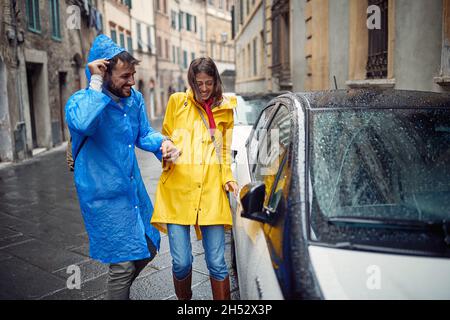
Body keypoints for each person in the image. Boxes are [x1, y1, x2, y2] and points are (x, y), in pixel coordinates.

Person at [65, 35, 179, 300]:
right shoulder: (81, 101)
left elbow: (144, 133)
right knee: (123, 265)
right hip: (103, 196)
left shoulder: (134, 99)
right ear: (104, 74)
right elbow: (82, 124)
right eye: (125, 76)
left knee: (150, 245)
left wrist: (163, 144)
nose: (131, 82)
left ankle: (120, 291)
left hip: (132, 190)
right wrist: (95, 81)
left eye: (133, 75)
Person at [151, 57, 239, 300]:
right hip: (178, 191)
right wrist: (166, 149)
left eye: (208, 83)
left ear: (216, 81)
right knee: (180, 262)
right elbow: (165, 137)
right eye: (198, 83)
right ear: (191, 81)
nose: (203, 89)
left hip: (211, 192)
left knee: (217, 263)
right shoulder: (177, 102)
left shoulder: (225, 109)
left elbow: (223, 150)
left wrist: (227, 178)